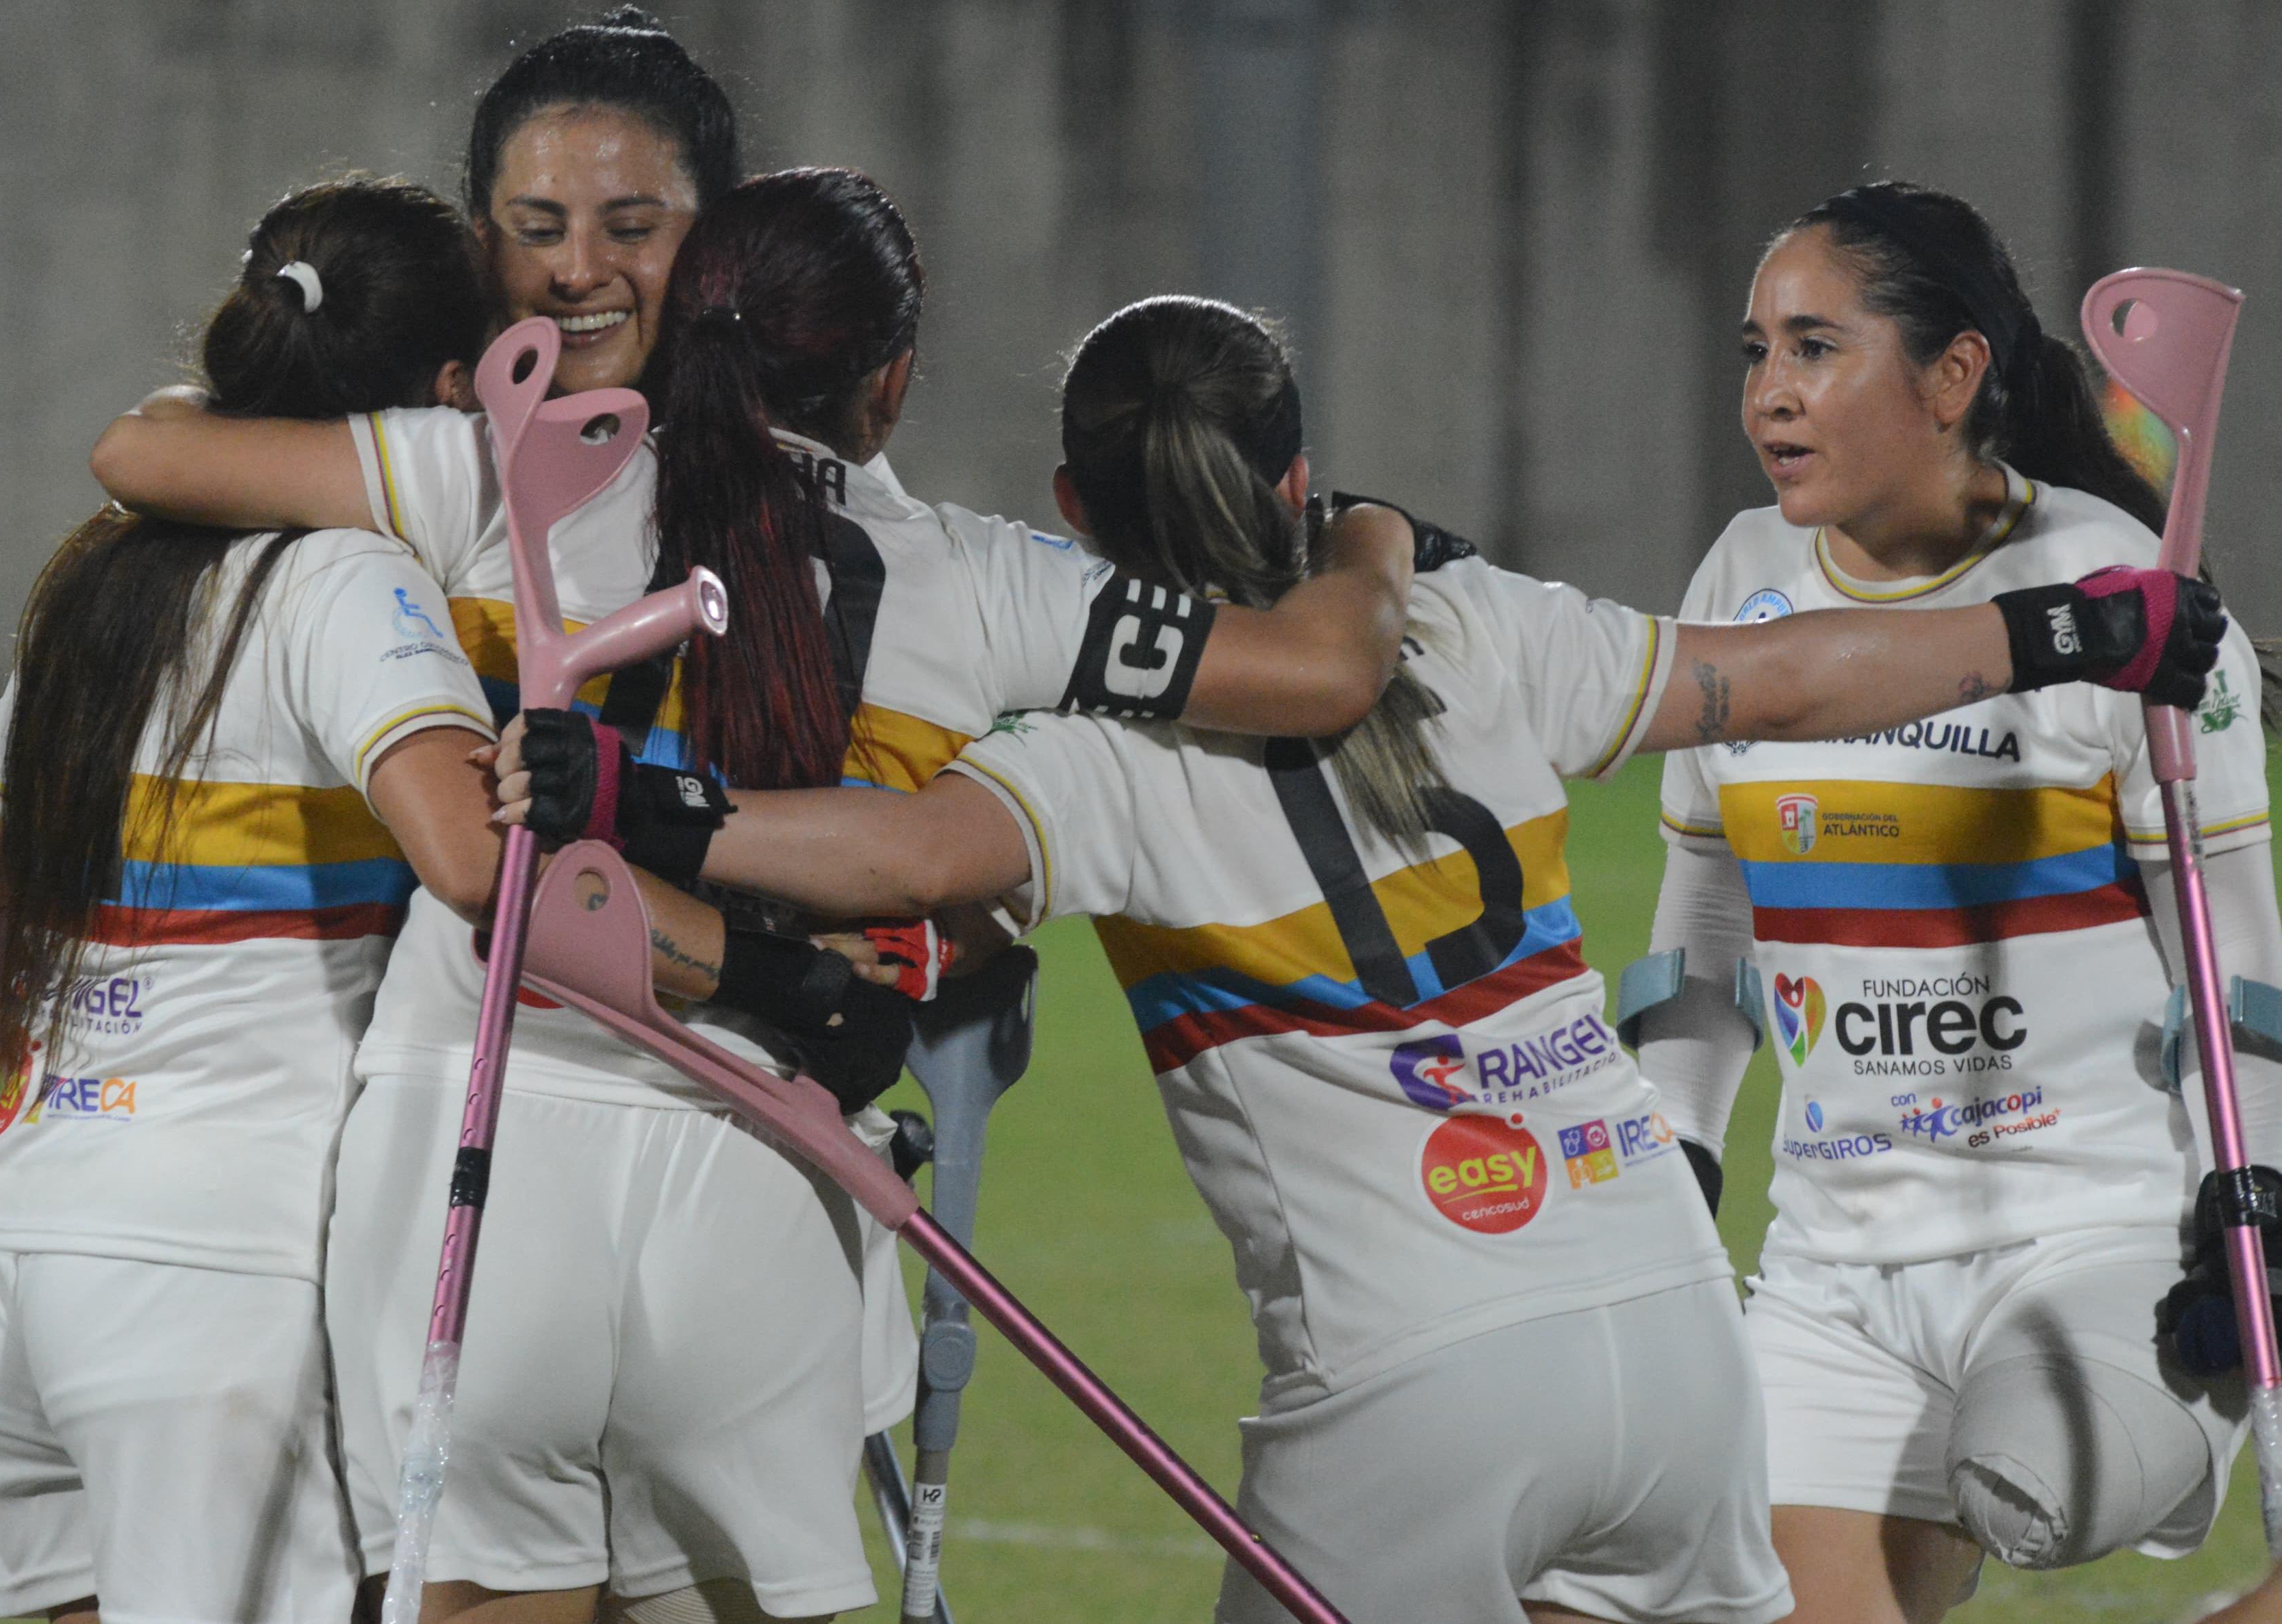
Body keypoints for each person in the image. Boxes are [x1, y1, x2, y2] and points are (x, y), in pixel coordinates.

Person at [490, 292, 2226, 1624]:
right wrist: (2072, 628)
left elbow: (899, 852)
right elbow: (1785, 676)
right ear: (1300, 479)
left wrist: (653, 801)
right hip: (1679, 1347)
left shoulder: (1093, 756)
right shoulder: (1479, 625)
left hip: (1414, 1396)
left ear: (1071, 518)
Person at [96, 164, 1420, 1622]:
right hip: (761, 1161)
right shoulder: (995, 583)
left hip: (470, 1144)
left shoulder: (511, 467)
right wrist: (1372, 540)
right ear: (891, 378)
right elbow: (1321, 675)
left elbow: (151, 454)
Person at [0, 177, 797, 1624]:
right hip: (218, 1264)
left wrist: (51, 1056)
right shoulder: (350, 580)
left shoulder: (90, 587)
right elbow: (472, 869)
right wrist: (741, 967)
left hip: (21, 1236)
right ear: (451, 391)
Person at [1632, 180, 2282, 1622]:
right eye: (1755, 352)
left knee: (2023, 1477)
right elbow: (1699, 934)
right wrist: (1668, 1157)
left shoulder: (2123, 595)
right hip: (1834, 1271)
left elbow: (2233, 955)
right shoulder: (1738, 579)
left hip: (2101, 1240)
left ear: (1950, 374)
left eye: (1815, 347)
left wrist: (2256, 1197)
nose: (1769, 397)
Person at [86, 6, 735, 524]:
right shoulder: (459, 469)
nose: (578, 271)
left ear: (720, 233)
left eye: (630, 229)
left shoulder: (793, 455)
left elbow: (144, 445)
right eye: (538, 231)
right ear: (480, 241)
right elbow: (138, 451)